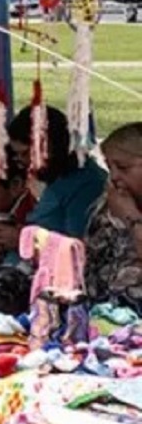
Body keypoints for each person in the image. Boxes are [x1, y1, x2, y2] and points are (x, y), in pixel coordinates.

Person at [0, 105, 106, 243]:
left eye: (26, 154)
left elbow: (77, 248)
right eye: (17, 156)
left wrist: (22, 240)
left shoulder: (86, 184)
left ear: (51, 146)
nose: (23, 162)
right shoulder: (56, 178)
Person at [86, 123, 142, 309]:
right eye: (110, 168)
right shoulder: (110, 202)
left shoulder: (124, 206)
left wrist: (131, 217)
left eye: (123, 168)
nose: (115, 176)